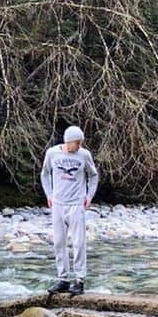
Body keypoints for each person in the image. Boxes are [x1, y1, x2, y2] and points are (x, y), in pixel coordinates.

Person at [40, 125, 99, 296]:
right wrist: (48, 194)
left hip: (76, 204)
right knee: (59, 242)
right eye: (77, 142)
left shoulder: (84, 155)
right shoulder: (52, 153)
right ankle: (63, 279)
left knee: (79, 243)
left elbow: (93, 175)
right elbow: (44, 174)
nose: (79, 145)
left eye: (81, 142)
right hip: (58, 204)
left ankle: (80, 279)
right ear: (68, 141)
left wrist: (89, 196)